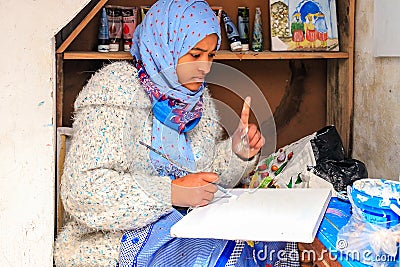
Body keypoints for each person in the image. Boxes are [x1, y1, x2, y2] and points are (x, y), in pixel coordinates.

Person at [54, 1, 299, 266]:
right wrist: (169, 193)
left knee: (272, 242)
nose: (205, 67)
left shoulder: (196, 99)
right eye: (195, 55)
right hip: (114, 240)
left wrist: (236, 153)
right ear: (165, 45)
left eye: (211, 55)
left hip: (185, 223)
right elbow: (81, 192)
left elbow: (201, 178)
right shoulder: (115, 90)